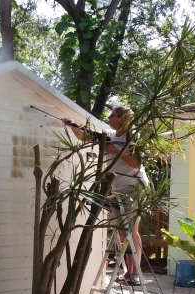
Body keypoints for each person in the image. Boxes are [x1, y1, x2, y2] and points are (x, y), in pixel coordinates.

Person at [62, 106, 149, 284]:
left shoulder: (133, 137)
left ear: (123, 118)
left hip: (135, 188)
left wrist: (114, 151)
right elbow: (86, 136)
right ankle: (127, 272)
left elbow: (136, 163)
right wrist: (73, 126)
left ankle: (135, 274)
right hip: (116, 188)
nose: (109, 118)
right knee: (121, 231)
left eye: (112, 115)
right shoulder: (109, 134)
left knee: (131, 231)